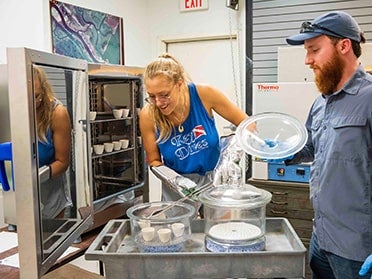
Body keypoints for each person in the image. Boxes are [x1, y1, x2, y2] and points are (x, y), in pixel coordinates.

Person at [284, 11, 372, 279]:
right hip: (322, 240)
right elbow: (311, 147)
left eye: (314, 50)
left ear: (343, 46)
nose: (307, 60)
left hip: (357, 249)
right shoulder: (322, 101)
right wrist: (282, 150)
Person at [139, 53, 248, 209]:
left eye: (164, 95)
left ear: (179, 84)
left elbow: (248, 125)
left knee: (216, 229)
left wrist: (229, 158)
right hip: (178, 189)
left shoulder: (205, 94)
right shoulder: (148, 115)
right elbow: (154, 160)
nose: (158, 103)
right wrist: (177, 181)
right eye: (151, 96)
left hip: (215, 181)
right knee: (178, 231)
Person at [34, 66, 73, 219]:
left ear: (43, 91)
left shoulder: (57, 113)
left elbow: (62, 162)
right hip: (18, 192)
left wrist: (34, 178)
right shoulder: (12, 108)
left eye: (36, 96)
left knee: (51, 238)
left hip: (51, 191)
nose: (32, 102)